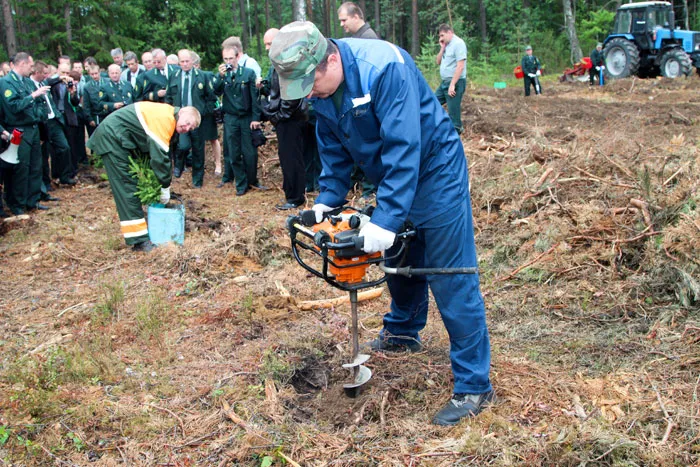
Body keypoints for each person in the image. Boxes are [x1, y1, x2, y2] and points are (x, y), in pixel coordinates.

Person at [270, 22, 494, 426]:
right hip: (390, 177)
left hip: (433, 171)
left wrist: (387, 215)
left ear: (331, 58)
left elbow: (405, 145)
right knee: (398, 261)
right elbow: (333, 145)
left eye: (311, 82)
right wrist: (327, 200)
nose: (310, 92)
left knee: (448, 273)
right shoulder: (323, 89)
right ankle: (403, 331)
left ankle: (474, 385)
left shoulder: (384, 67)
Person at [86, 102, 200, 252]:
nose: (186, 129)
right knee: (127, 187)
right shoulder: (164, 119)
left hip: (121, 138)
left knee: (131, 184)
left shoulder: (170, 118)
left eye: (190, 129)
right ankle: (139, 241)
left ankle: (140, 229)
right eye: (187, 123)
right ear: (182, 112)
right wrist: (165, 186)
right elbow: (159, 159)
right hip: (112, 138)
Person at [261, 28, 307, 210]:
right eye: (265, 44)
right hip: (285, 118)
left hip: (290, 119)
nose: (267, 48)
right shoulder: (279, 60)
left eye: (270, 44)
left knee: (291, 158)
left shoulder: (288, 60)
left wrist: (280, 116)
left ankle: (295, 197)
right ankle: (292, 194)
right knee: (287, 156)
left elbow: (292, 94)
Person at [0, 52, 51, 215]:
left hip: (33, 128)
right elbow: (13, 106)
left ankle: (32, 200)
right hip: (18, 129)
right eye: (30, 65)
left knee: (35, 165)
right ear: (21, 64)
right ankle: (17, 203)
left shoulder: (28, 82)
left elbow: (37, 104)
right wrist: (33, 95)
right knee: (21, 167)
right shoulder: (6, 83)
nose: (32, 68)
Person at [212, 45, 264, 195]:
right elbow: (216, 91)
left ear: (237, 57)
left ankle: (252, 180)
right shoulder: (223, 75)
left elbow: (255, 98)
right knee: (233, 152)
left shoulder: (247, 73)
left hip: (246, 117)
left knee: (250, 152)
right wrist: (220, 77)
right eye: (225, 59)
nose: (229, 61)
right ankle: (240, 184)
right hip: (231, 118)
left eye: (231, 58)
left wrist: (256, 118)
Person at [166, 49, 216, 187]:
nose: (185, 64)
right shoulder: (174, 76)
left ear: (192, 62)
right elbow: (168, 96)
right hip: (181, 119)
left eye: (187, 61)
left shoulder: (202, 76)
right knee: (182, 145)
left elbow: (211, 98)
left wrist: (203, 113)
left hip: (197, 120)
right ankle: (179, 165)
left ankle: (197, 180)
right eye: (182, 61)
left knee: (198, 150)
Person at [191, 52, 222, 175]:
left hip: (207, 114)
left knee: (213, 139)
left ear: (197, 65)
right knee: (199, 141)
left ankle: (218, 164)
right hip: (194, 115)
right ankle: (200, 164)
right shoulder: (186, 78)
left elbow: (213, 94)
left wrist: (207, 110)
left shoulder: (207, 75)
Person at [435, 24, 467, 134]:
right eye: (440, 37)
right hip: (444, 83)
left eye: (442, 35)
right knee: (433, 101)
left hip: (456, 83)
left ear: (450, 33)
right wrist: (442, 48)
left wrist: (452, 84)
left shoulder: (458, 44)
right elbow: (438, 61)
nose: (441, 39)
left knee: (453, 113)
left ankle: (456, 133)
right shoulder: (446, 45)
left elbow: (460, 66)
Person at [82, 64, 105, 135]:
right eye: (92, 74)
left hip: (107, 113)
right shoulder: (87, 87)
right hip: (96, 114)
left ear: (99, 72)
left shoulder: (107, 82)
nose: (94, 76)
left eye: (96, 73)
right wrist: (90, 119)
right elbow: (86, 104)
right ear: (89, 74)